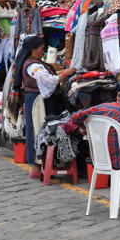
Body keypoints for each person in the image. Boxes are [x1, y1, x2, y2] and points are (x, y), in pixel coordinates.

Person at [65, 84, 120, 192]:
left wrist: (86, 127)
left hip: (101, 160)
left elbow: (76, 117)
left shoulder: (105, 108)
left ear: (118, 97)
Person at [12, 36, 76, 178]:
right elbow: (47, 80)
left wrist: (63, 73)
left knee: (38, 131)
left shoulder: (33, 64)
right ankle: (37, 167)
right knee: (40, 132)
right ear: (33, 50)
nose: (43, 52)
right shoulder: (33, 65)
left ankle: (39, 167)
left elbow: (47, 75)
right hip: (37, 102)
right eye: (41, 49)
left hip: (35, 100)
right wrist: (65, 73)